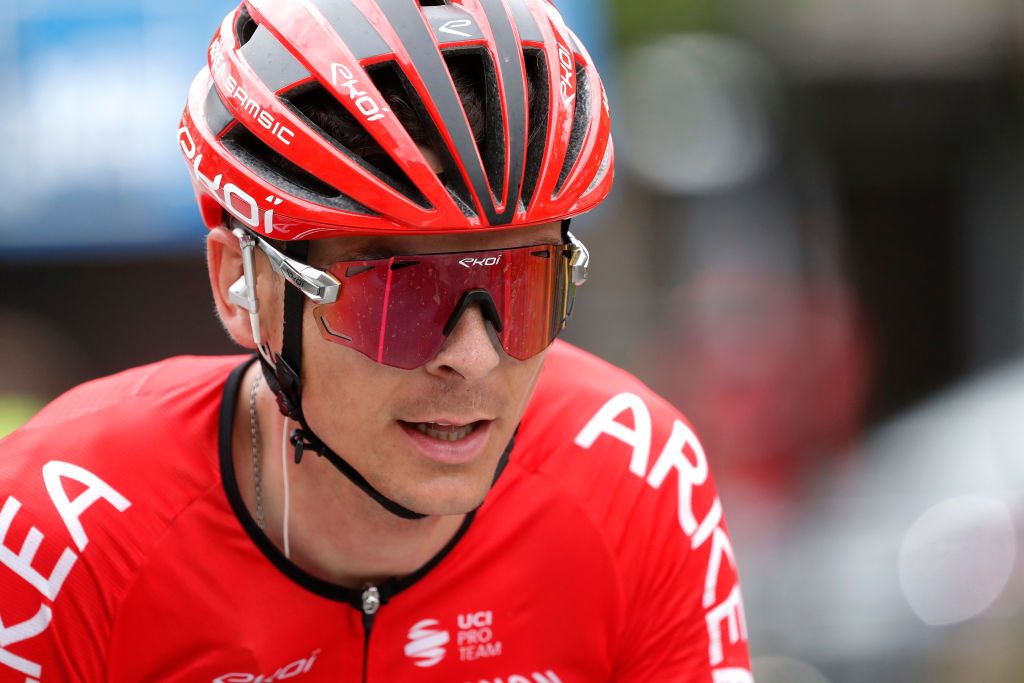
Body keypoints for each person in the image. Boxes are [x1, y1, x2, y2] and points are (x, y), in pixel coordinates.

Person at [0, 1, 751, 680]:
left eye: (523, 286)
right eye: (403, 296)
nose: (476, 356)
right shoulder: (60, 531)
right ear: (243, 285)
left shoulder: (634, 473)